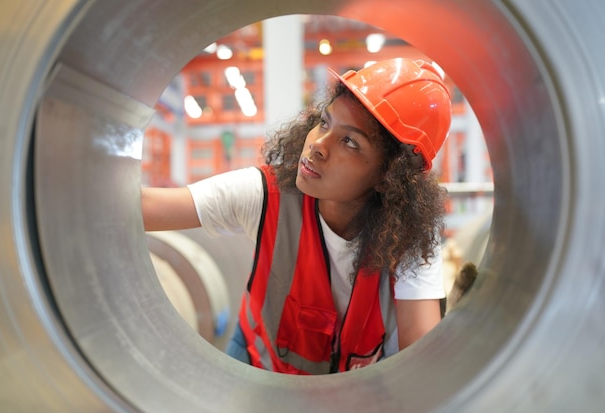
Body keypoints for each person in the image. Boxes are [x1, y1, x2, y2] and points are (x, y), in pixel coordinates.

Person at [141, 57, 452, 375]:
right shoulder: (264, 194)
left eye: (349, 141)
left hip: (349, 388)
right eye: (325, 122)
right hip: (258, 363)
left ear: (389, 175)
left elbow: (421, 361)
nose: (317, 145)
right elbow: (142, 208)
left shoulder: (409, 237)